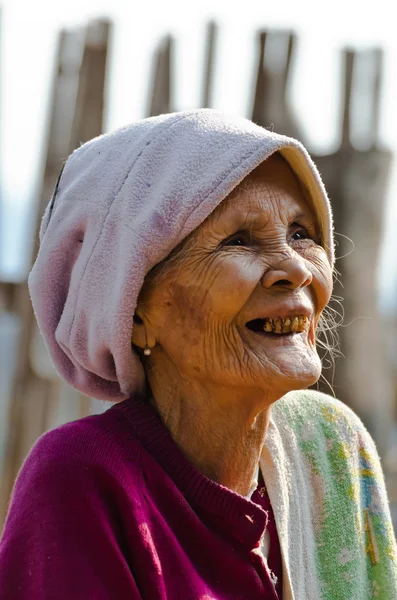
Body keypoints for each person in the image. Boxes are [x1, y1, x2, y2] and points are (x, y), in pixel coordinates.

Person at [0, 109, 396, 599]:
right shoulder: (82, 478)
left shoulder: (331, 449)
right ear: (134, 310)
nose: (294, 268)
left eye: (301, 233)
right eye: (238, 241)